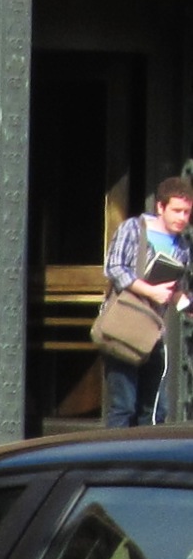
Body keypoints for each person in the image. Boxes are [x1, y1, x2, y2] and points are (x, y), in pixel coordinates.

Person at [105, 177, 193, 427]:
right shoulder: (132, 229)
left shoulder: (183, 246)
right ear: (160, 207)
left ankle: (143, 460)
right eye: (177, 210)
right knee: (123, 405)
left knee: (155, 408)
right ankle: (113, 461)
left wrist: (182, 302)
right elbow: (114, 268)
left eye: (187, 212)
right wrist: (150, 291)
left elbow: (177, 289)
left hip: (154, 330)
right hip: (124, 327)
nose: (182, 217)